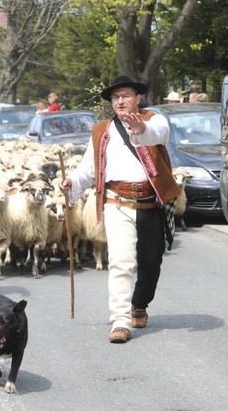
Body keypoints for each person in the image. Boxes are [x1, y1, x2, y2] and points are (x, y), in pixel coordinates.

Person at [60, 75, 180, 343]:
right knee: (120, 261)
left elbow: (159, 134)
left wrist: (141, 131)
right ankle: (120, 320)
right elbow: (89, 168)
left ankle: (140, 303)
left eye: (126, 96)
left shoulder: (154, 119)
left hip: (150, 202)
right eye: (115, 97)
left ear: (138, 98)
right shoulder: (101, 130)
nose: (120, 101)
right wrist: (73, 182)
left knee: (151, 262)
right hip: (117, 201)